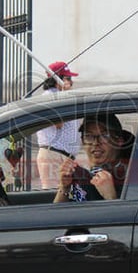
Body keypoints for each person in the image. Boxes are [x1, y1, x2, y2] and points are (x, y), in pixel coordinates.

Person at [54, 113, 132, 203]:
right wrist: (64, 187)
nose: (95, 143)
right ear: (82, 141)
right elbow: (54, 213)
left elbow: (131, 215)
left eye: (104, 136)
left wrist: (110, 196)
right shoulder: (80, 175)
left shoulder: (130, 176)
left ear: (119, 141)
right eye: (89, 136)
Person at [35, 61, 81, 189]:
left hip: (65, 157)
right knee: (54, 195)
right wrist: (63, 95)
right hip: (53, 154)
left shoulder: (63, 96)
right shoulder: (49, 97)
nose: (71, 82)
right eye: (67, 78)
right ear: (57, 79)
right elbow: (58, 122)